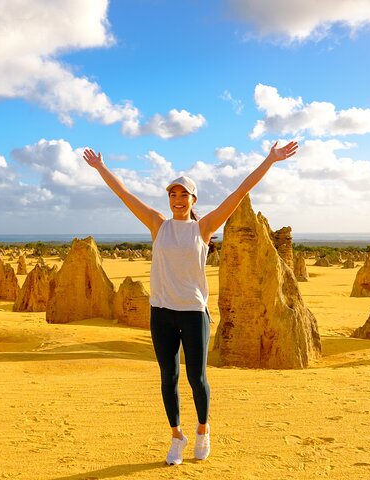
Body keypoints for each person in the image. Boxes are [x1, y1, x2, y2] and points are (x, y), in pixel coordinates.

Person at [83, 141, 299, 464]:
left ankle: (202, 429)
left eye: (184, 194)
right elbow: (125, 196)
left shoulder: (204, 228)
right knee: (167, 376)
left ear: (193, 199)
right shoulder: (158, 225)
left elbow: (239, 193)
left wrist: (270, 159)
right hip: (162, 313)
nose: (178, 199)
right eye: (173, 194)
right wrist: (101, 168)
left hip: (194, 313)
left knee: (196, 378)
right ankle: (176, 436)